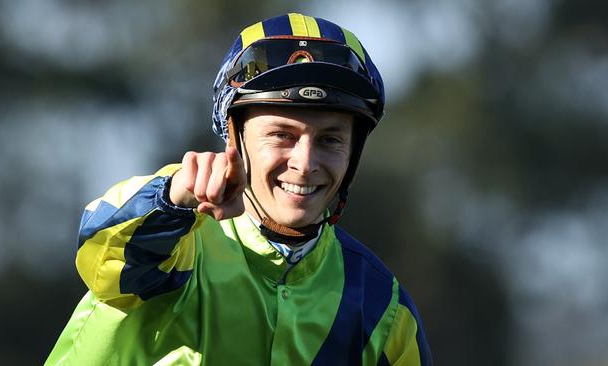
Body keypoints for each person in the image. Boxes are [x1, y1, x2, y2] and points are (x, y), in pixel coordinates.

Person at [46, 13, 432, 366]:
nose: (305, 162)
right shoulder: (175, 247)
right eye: (282, 135)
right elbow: (100, 247)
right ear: (235, 138)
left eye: (331, 140)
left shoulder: (383, 309)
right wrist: (177, 193)